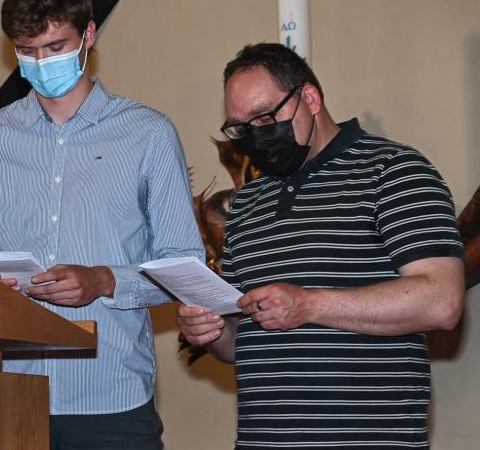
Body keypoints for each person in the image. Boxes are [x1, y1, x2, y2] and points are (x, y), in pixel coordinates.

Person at [0, 0, 205, 449]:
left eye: (56, 47)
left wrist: (103, 280)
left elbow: (184, 265)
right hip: (9, 392)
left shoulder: (148, 133)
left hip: (111, 395)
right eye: (27, 51)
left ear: (88, 36)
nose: (42, 62)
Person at [178, 43, 465, 449]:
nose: (255, 135)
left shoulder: (394, 171)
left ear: (309, 98)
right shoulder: (246, 204)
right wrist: (212, 331)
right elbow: (241, 344)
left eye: (264, 117)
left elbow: (442, 301)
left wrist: (310, 304)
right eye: (240, 128)